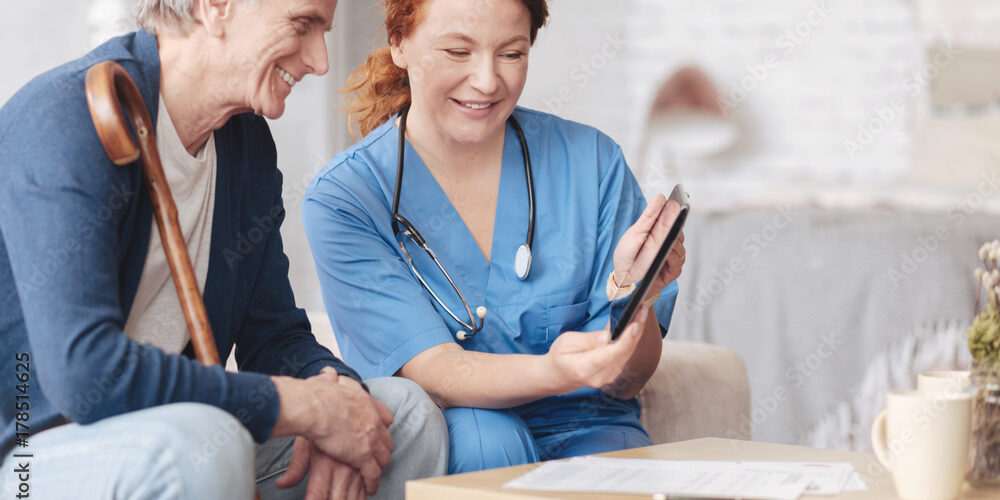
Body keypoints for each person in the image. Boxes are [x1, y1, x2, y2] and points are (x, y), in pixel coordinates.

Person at [0, 0, 447, 498]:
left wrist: (338, 397)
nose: (320, 62)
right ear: (215, 8)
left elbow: (275, 337)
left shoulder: (245, 142)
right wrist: (303, 408)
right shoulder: (66, 118)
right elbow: (84, 375)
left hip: (185, 437)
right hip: (32, 453)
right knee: (192, 446)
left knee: (401, 415)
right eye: (303, 25)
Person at [302, 0, 686, 474]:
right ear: (398, 43)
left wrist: (638, 296)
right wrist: (557, 371)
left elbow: (627, 380)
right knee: (487, 438)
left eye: (511, 54)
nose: (487, 81)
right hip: (461, 436)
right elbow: (435, 374)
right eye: (458, 52)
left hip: (591, 429)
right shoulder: (349, 197)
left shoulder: (592, 163)